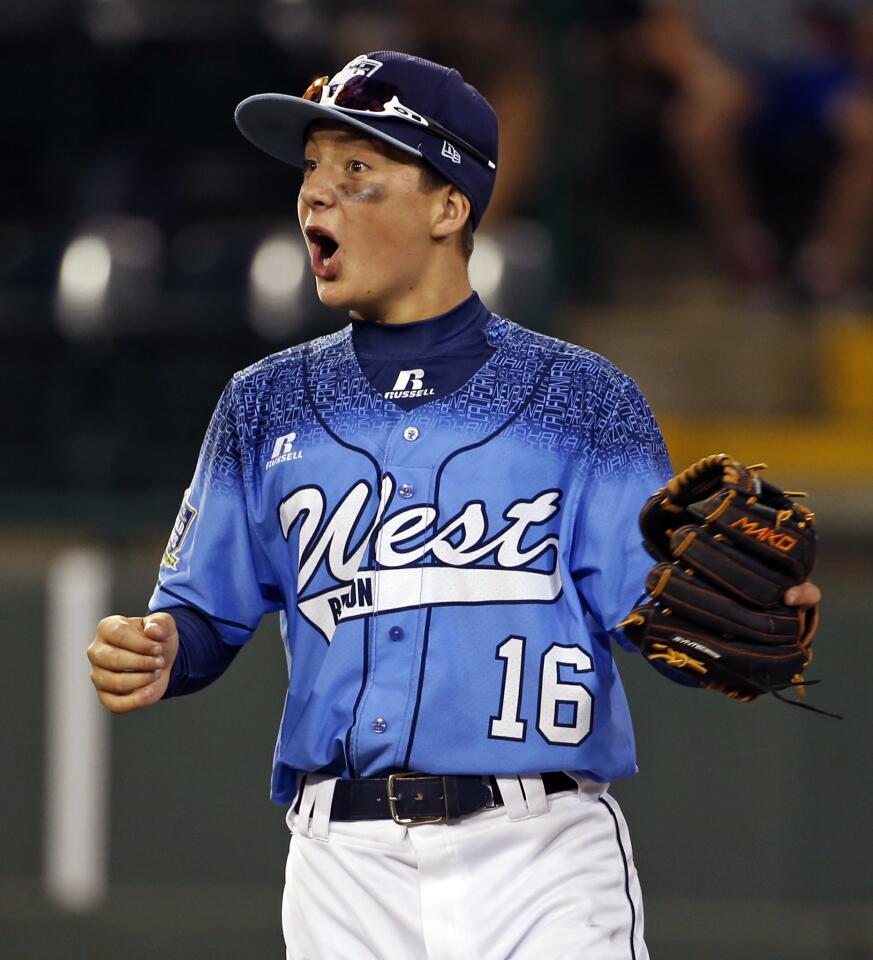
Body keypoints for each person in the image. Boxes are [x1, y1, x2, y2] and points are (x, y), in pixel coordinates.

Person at [87, 51, 821, 959]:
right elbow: (200, 616)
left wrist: (752, 621)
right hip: (340, 867)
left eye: (357, 170)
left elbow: (667, 623)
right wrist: (160, 649)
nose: (316, 194)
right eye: (312, 167)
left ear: (448, 206)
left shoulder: (580, 399)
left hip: (540, 853)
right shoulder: (261, 404)